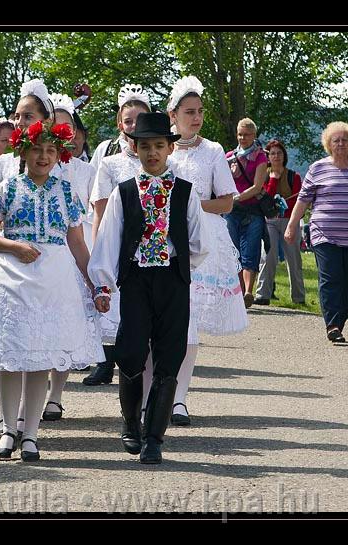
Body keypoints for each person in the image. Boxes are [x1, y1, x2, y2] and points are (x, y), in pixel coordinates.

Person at [0, 119, 103, 462]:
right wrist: (13, 246)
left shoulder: (66, 193)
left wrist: (96, 284)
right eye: (37, 149)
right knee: (8, 356)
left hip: (54, 281)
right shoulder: (8, 188)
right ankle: (7, 428)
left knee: (41, 357)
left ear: (59, 155)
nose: (44, 156)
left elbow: (78, 244)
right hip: (11, 277)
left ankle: (31, 433)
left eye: (51, 151)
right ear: (24, 151)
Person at [88, 112, 209, 464]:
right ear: (134, 148)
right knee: (130, 350)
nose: (152, 152)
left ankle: (155, 437)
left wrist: (179, 265)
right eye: (145, 146)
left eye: (159, 145)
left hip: (172, 279)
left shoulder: (185, 191)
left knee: (170, 355)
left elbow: (199, 242)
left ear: (170, 147)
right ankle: (130, 424)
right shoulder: (123, 193)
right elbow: (109, 239)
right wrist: (104, 283)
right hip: (137, 278)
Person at [166, 76, 248, 426]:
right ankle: (159, 391)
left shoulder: (213, 150)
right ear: (173, 114)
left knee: (189, 322)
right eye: (189, 112)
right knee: (163, 320)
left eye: (199, 111)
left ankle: (180, 398)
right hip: (162, 240)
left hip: (202, 242)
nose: (196, 118)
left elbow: (228, 202)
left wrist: (192, 208)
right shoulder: (160, 147)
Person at [285, 121, 348, 343]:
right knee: (331, 277)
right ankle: (332, 325)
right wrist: (292, 224)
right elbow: (303, 200)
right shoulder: (318, 168)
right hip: (324, 233)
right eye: (336, 140)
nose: (341, 143)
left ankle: (337, 323)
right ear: (328, 144)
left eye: (345, 140)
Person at [83, 83, 151, 387]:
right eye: (128, 120)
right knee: (111, 304)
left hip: (150, 246)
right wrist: (99, 250)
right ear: (119, 124)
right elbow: (99, 206)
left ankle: (141, 371)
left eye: (140, 119)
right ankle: (105, 361)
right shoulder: (109, 157)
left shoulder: (160, 157)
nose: (134, 126)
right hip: (118, 242)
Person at [38, 92, 98, 421]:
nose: (63, 132)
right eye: (56, 125)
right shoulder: (37, 163)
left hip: (71, 253)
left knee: (63, 326)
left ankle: (55, 395)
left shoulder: (86, 172)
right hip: (39, 253)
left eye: (69, 127)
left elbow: (86, 219)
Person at [253, 139, 305, 305]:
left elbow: (299, 200)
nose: (276, 156)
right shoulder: (264, 175)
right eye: (272, 153)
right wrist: (274, 180)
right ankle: (263, 295)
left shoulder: (293, 176)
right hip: (269, 221)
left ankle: (298, 297)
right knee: (268, 256)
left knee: (294, 258)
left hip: (290, 221)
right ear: (268, 157)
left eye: (279, 153)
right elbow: (265, 199)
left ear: (284, 156)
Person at [224, 118, 269, 308]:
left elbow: (257, 186)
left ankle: (249, 292)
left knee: (250, 251)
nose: (243, 137)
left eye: (247, 134)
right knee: (233, 252)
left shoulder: (260, 157)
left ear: (254, 135)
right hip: (232, 211)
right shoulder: (229, 156)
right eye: (240, 134)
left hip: (252, 210)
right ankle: (238, 291)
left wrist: (236, 197)